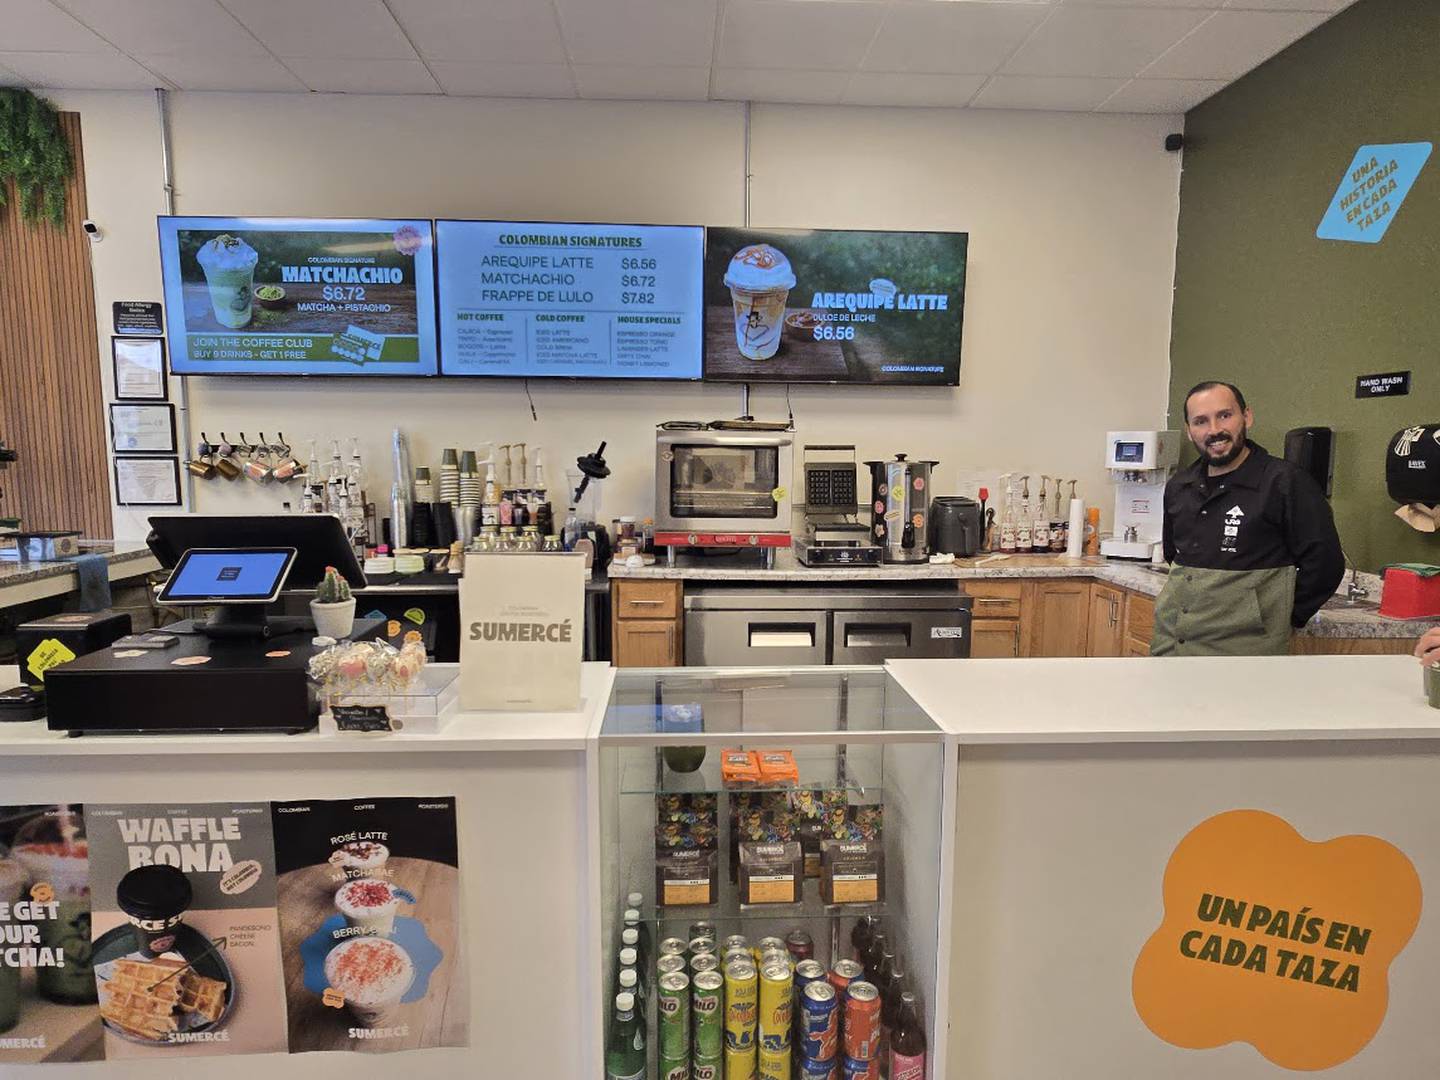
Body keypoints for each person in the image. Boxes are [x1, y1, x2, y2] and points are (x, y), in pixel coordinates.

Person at [1152, 381, 1345, 656]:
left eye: (1224, 415)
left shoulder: (1285, 483)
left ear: (1247, 416)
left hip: (1244, 651)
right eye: (1200, 421)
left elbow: (1325, 565)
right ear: (1189, 430)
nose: (1214, 430)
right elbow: (1175, 556)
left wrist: (1279, 616)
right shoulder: (1179, 486)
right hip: (1172, 642)